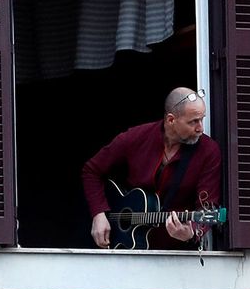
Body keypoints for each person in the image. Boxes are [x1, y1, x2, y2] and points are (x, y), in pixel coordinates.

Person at [81, 87, 221, 250]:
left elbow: (208, 207)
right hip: (125, 247)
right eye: (193, 122)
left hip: (175, 254)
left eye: (202, 119)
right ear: (171, 120)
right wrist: (99, 213)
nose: (200, 128)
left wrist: (192, 232)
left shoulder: (208, 151)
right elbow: (92, 170)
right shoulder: (135, 138)